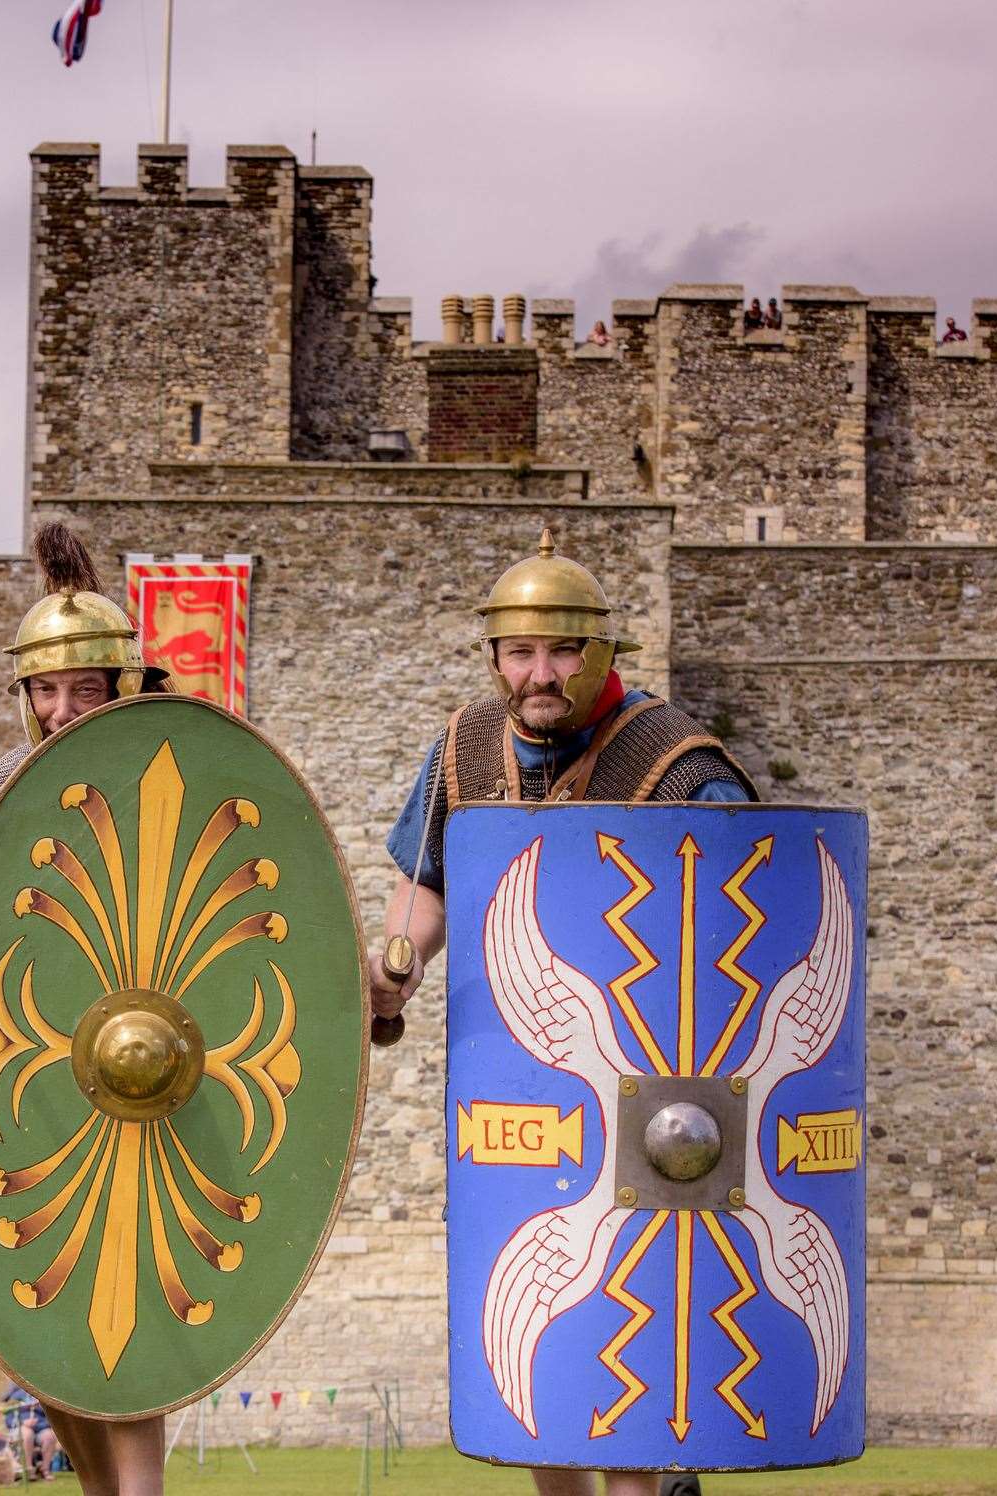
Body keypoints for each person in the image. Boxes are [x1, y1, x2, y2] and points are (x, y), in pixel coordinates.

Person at [369, 529, 749, 1496]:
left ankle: (652, 1480)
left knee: (626, 1341)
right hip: (522, 1100)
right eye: (520, 652)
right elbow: (430, 885)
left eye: (561, 651)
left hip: (651, 1102)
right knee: (541, 1368)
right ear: (493, 656)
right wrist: (395, 962)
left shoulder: (676, 762)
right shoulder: (463, 746)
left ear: (600, 652)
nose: (540, 673)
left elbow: (738, 926)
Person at [0, 521, 172, 1495]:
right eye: (46, 688)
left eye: (84, 686)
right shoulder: (3, 783)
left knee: (140, 1319)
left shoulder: (175, 762)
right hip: (35, 1078)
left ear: (120, 685)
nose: (63, 706)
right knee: (50, 1327)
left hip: (153, 1068)